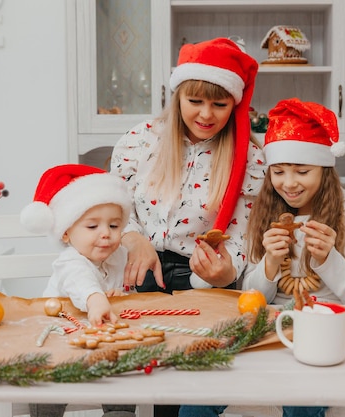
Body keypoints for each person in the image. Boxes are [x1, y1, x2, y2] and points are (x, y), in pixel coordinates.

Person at [179, 98, 345, 417]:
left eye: (302, 171)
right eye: (279, 172)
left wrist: (328, 260)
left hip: (324, 331)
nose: (289, 183)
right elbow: (254, 297)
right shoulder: (265, 210)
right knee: (199, 393)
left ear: (325, 170)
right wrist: (270, 262)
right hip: (268, 329)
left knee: (301, 399)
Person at [110, 37, 264, 417]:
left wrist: (227, 271)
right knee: (118, 372)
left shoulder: (252, 159)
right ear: (177, 96)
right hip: (134, 273)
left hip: (198, 286)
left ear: (236, 103)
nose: (206, 114)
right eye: (195, 101)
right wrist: (133, 238)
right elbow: (113, 205)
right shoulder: (140, 140)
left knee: (177, 393)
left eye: (219, 103)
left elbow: (245, 236)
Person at [20, 164, 137, 417]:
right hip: (57, 339)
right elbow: (81, 281)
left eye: (114, 226)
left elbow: (124, 293)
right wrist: (96, 299)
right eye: (92, 227)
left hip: (99, 341)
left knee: (122, 367)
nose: (106, 234)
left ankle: (120, 412)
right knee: (47, 376)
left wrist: (121, 296)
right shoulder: (69, 260)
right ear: (65, 233)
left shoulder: (119, 257)